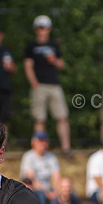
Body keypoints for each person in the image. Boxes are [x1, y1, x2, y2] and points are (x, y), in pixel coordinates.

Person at [25, 15, 70, 154]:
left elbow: (62, 65)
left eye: (45, 27)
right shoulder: (32, 46)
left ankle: (66, 149)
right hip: (39, 86)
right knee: (40, 119)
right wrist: (34, 83)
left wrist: (54, 60)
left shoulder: (54, 45)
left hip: (54, 85)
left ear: (49, 29)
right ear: (36, 29)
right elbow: (28, 66)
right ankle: (40, 149)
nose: (43, 30)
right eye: (40, 27)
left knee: (62, 117)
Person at [20, 131, 61, 204]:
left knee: (67, 194)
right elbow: (32, 179)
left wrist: (56, 192)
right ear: (33, 142)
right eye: (40, 141)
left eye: (45, 141)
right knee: (41, 196)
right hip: (34, 189)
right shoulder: (28, 157)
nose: (43, 143)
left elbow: (56, 178)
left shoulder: (52, 157)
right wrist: (47, 193)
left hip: (49, 188)